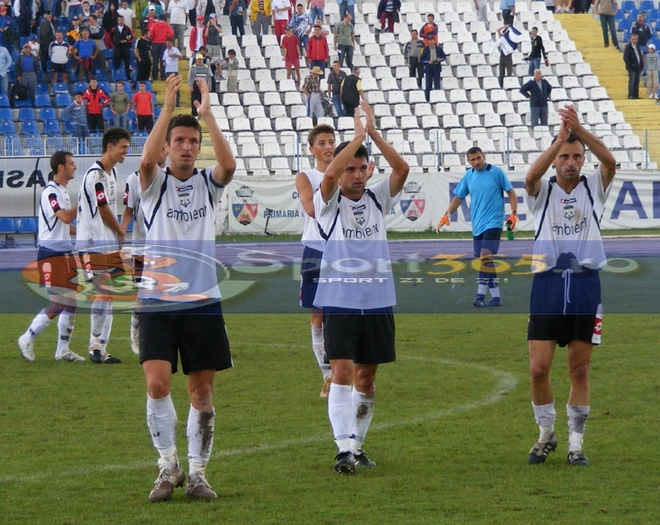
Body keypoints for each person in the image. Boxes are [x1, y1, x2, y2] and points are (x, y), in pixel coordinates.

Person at [137, 74, 235, 502]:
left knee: (202, 391)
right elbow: (143, 163)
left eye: (192, 141)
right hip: (157, 299)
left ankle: (197, 473)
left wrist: (207, 115)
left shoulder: (206, 186)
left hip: (202, 301)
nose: (186, 146)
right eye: (178, 140)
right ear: (166, 147)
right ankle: (167, 465)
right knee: (157, 385)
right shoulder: (153, 184)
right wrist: (166, 108)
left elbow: (228, 167)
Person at [313, 101, 409, 474]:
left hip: (378, 300)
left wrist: (372, 135)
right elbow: (328, 178)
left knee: (367, 378)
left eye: (360, 168)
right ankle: (342, 449)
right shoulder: (330, 203)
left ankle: (355, 447)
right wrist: (354, 138)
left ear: (369, 171)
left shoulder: (376, 198)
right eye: (348, 168)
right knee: (341, 372)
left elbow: (402, 169)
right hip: (339, 299)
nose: (355, 174)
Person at [524, 104, 616, 467]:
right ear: (555, 158)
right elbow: (530, 178)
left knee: (579, 369)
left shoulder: (593, 188)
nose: (571, 162)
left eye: (577, 156)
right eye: (565, 156)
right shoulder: (543, 191)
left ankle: (576, 443)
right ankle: (546, 432)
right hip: (546, 286)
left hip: (584, 286)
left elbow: (609, 162)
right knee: (538, 369)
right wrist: (559, 139)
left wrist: (581, 130)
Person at [17, 152, 85, 363]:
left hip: (65, 252)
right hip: (51, 254)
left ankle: (62, 350)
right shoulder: (50, 193)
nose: (75, 167)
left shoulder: (62, 192)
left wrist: (85, 232)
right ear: (61, 168)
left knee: (71, 301)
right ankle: (27, 337)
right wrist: (82, 204)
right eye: (71, 164)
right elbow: (64, 216)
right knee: (57, 303)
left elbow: (65, 225)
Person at [435, 146, 518, 308]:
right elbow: (458, 197)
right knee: (486, 259)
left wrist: (514, 213)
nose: (476, 162)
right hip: (477, 224)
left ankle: (480, 295)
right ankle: (496, 297)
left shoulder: (496, 172)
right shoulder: (468, 176)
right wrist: (447, 214)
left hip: (494, 221)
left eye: (478, 158)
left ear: (484, 156)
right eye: (472, 159)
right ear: (468, 161)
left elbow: (511, 192)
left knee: (485, 255)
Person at [76, 126, 132, 365]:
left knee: (109, 294)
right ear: (110, 147)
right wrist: (120, 230)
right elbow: (102, 208)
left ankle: (98, 346)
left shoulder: (111, 173)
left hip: (106, 243)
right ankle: (96, 345)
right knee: (105, 291)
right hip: (93, 244)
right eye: (123, 148)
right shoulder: (95, 175)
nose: (126, 152)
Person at [295, 124, 336, 397]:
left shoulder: (347, 173)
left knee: (344, 312)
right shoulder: (306, 177)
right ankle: (327, 376)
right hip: (315, 250)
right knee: (318, 315)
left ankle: (346, 374)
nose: (328, 146)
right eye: (321, 142)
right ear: (312, 149)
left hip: (342, 251)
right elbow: (311, 209)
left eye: (331, 141)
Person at [120, 146, 168, 355]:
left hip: (166, 246)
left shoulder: (172, 177)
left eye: (163, 147)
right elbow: (129, 209)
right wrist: (121, 231)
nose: (159, 152)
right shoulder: (134, 178)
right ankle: (136, 327)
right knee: (144, 293)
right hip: (141, 245)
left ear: (166, 150)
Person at [112, 15, 134, 80]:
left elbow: (132, 38)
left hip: (125, 48)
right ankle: (116, 78)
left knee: (127, 64)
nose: (120, 21)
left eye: (121, 20)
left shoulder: (127, 28)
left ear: (123, 20)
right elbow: (111, 38)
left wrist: (126, 41)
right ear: (117, 21)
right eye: (119, 20)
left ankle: (128, 77)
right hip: (117, 48)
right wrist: (116, 43)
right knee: (117, 64)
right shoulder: (114, 29)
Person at [624, 33, 644, 99]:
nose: (634, 40)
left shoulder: (637, 47)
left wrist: (641, 65)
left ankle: (636, 95)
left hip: (638, 67)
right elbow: (626, 58)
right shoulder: (628, 47)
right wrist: (631, 65)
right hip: (631, 68)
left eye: (635, 39)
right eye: (633, 39)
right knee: (632, 81)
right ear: (630, 39)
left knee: (636, 82)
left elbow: (639, 57)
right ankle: (631, 95)